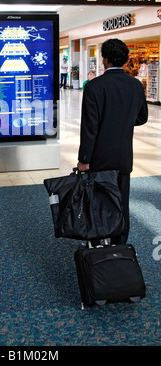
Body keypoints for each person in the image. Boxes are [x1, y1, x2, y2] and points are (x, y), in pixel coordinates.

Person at [77, 39, 148, 244]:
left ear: (105, 59)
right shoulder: (135, 85)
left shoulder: (94, 86)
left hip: (99, 158)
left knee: (98, 201)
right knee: (121, 202)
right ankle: (120, 244)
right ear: (125, 60)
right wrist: (121, 122)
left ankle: (97, 243)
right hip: (123, 157)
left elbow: (90, 128)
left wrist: (84, 159)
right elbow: (142, 117)